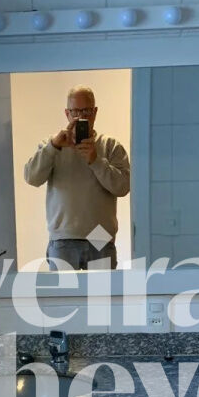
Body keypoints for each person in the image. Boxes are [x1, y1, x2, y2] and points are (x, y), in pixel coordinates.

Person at [23, 86, 130, 270]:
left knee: (101, 290)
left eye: (86, 111)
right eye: (75, 112)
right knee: (66, 291)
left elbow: (123, 187)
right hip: (63, 238)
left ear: (95, 112)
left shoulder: (110, 146)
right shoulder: (52, 145)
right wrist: (53, 147)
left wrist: (95, 160)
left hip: (101, 238)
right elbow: (32, 178)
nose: (80, 117)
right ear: (67, 113)